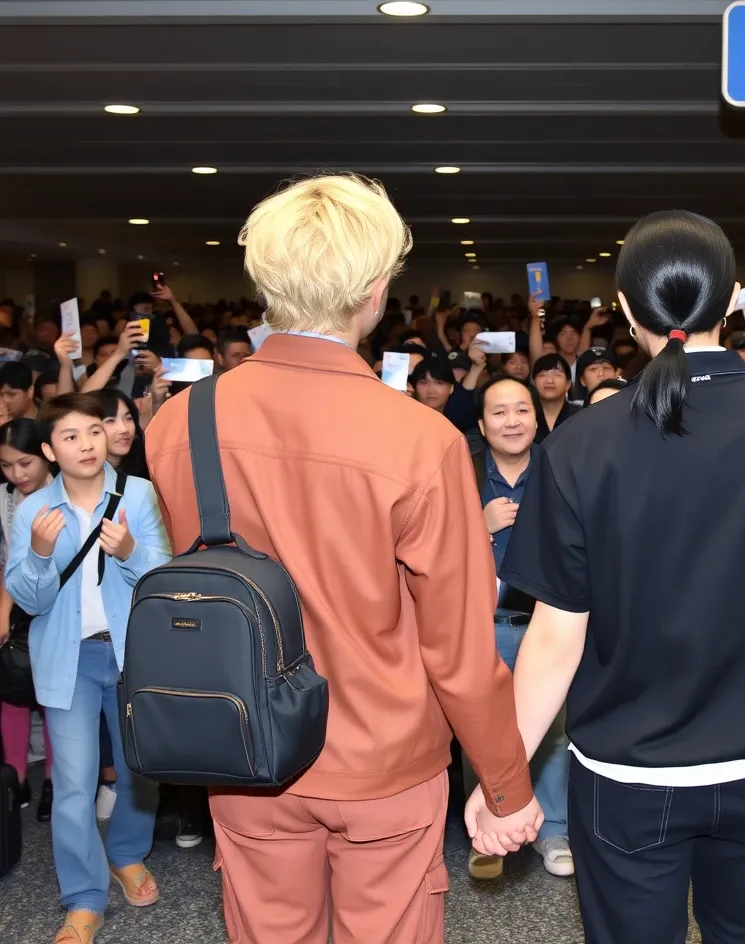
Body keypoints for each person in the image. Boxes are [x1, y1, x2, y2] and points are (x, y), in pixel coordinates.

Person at [469, 209, 745, 944]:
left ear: (626, 309)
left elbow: (554, 641)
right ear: (732, 303)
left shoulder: (577, 445)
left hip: (628, 777)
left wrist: (505, 785)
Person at [145, 173, 540, 944]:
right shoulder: (420, 439)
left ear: (265, 284)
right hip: (384, 761)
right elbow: (457, 651)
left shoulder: (178, 422)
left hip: (245, 744)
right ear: (374, 292)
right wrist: (506, 784)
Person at [4, 393, 169, 944]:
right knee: (73, 784)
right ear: (50, 450)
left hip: (131, 654)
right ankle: (83, 896)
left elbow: (163, 575)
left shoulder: (137, 494)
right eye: (71, 437)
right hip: (68, 659)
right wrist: (40, 553)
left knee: (138, 768)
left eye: (94, 431)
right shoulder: (33, 511)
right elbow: (28, 597)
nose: (87, 444)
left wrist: (130, 554)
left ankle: (126, 855)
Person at [463, 375, 572, 882]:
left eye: (522, 410)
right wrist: (475, 527)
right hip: (479, 627)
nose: (513, 421)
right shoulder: (461, 477)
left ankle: (554, 830)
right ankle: (489, 832)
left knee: (550, 730)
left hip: (545, 628)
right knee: (481, 734)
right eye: (500, 413)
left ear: (538, 418)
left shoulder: (560, 474)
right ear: (483, 425)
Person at [0, 417, 55, 821]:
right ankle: (16, 780)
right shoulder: (3, 499)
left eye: (25, 463)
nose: (17, 474)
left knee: (52, 698)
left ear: (45, 455)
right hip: (11, 601)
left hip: (57, 602)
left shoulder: (66, 491)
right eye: (6, 465)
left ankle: (54, 780)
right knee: (12, 689)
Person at [532, 354, 579, 439]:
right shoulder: (525, 415)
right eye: (542, 375)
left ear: (568, 384)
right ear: (534, 383)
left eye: (557, 375)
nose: (549, 380)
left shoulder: (580, 415)